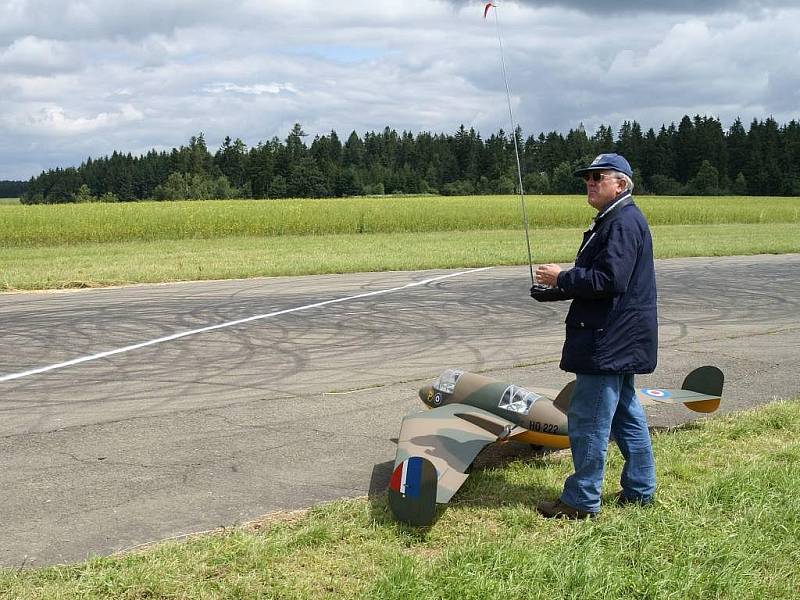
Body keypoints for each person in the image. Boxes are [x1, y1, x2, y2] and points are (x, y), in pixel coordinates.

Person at [532, 153, 657, 519]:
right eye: (587, 177)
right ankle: (640, 490)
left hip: (607, 340)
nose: (590, 182)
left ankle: (581, 500)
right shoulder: (617, 218)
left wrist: (562, 278)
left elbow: (609, 281)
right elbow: (603, 279)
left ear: (621, 184)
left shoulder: (620, 222)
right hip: (619, 335)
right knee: (626, 415)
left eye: (598, 177)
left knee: (588, 420)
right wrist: (554, 290)